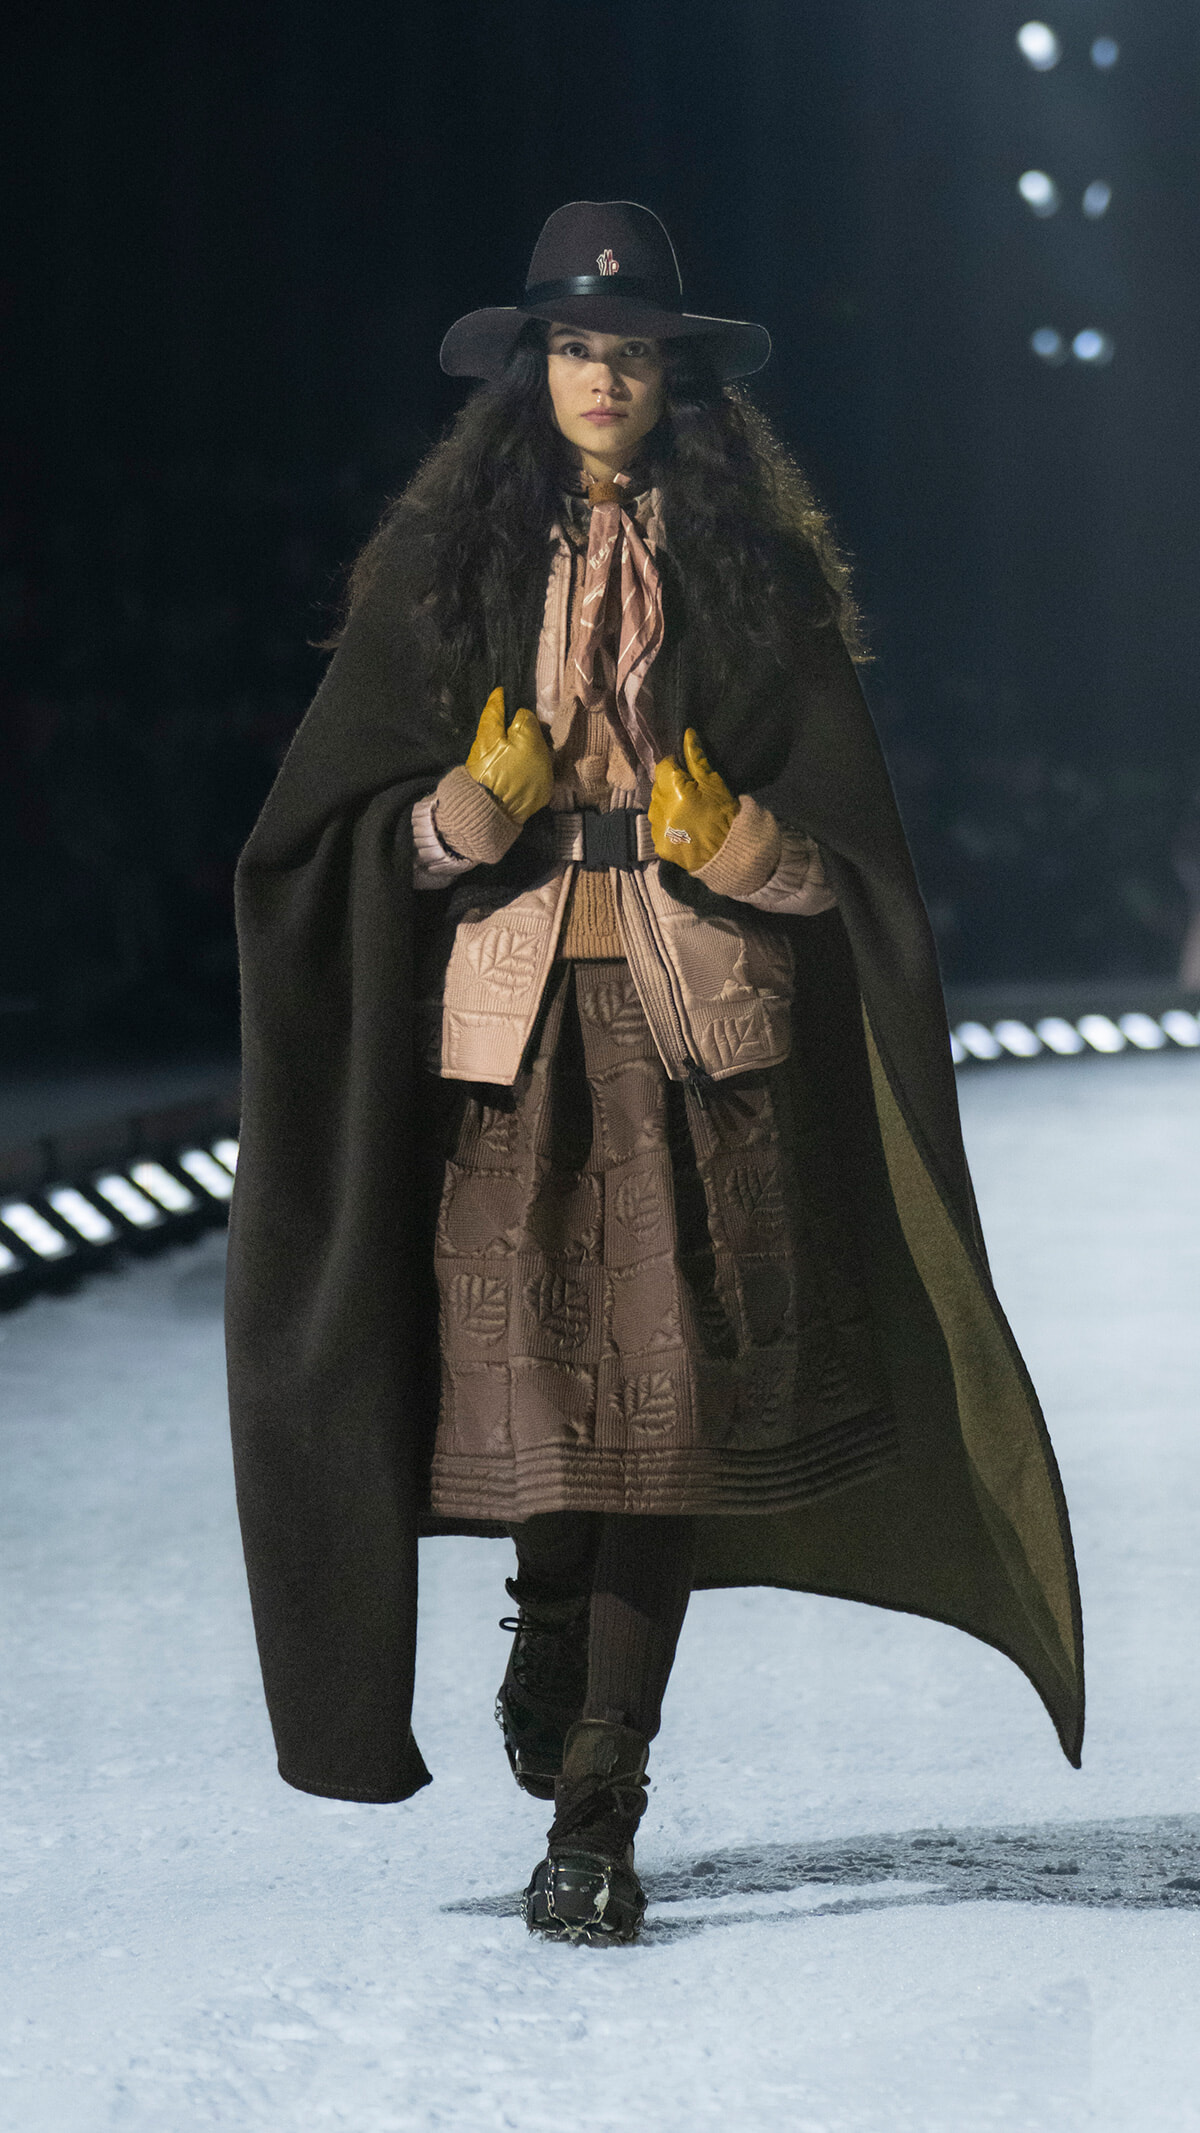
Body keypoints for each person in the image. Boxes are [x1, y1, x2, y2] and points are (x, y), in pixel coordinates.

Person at [226, 201, 1083, 1949]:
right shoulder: (444, 569)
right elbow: (316, 840)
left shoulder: (748, 567)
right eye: (572, 346)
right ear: (531, 371)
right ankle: (552, 1624)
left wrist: (755, 842)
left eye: (628, 351)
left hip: (708, 1046)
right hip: (506, 1046)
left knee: (664, 1423)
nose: (601, 374)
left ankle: (603, 1802)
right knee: (556, 1415)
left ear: (675, 379)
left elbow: (855, 856)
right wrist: (450, 821)